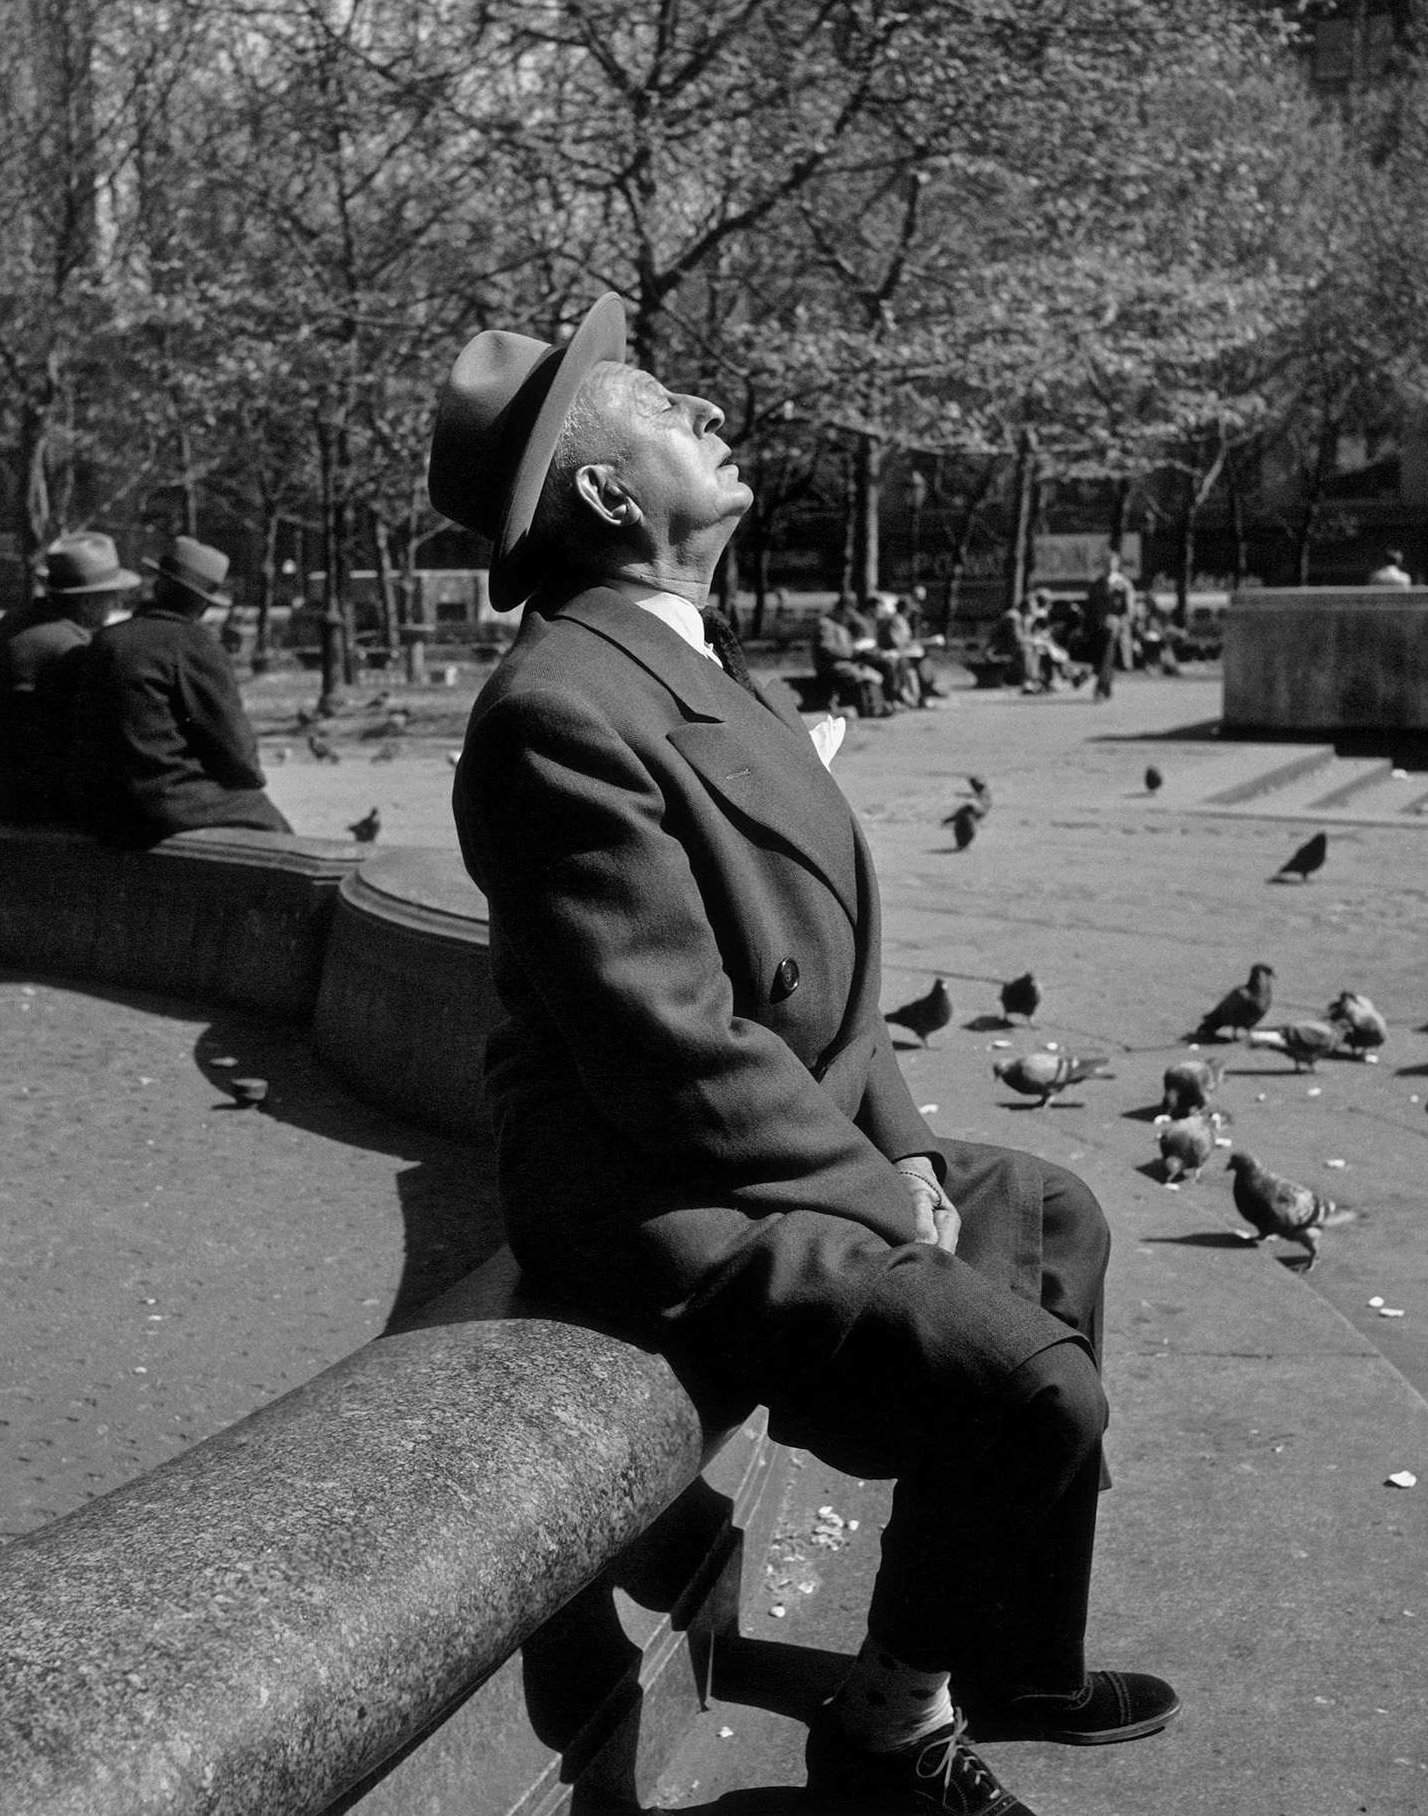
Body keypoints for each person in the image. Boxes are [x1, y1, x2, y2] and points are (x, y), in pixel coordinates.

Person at [433, 293, 1177, 1816]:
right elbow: (674, 1048)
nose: (702, 407)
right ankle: (888, 1732)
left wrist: (900, 1140)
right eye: (657, 399)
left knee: (1051, 1213)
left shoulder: (677, 656)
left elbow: (830, 988)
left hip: (778, 1139)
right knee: (1032, 1391)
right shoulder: (557, 708)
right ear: (602, 491)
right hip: (666, 1195)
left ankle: (1012, 1657)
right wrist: (872, 1190)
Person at [72, 535, 291, 850]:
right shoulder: (195, 645)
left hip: (102, 805)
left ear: (158, 587)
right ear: (203, 603)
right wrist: (247, 779)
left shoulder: (107, 640)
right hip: (162, 803)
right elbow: (236, 751)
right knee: (269, 820)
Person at [0, 531, 138, 827]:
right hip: (56, 809)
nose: (118, 601)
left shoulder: (11, 624)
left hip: (8, 797)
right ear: (87, 602)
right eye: (111, 595)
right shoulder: (74, 646)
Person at [813, 594, 889, 715]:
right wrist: (851, 651)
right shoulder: (826, 624)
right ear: (841, 609)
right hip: (831, 666)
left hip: (845, 663)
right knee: (864, 674)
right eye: (849, 611)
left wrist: (857, 648)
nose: (850, 615)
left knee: (875, 674)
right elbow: (826, 649)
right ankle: (871, 709)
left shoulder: (841, 626)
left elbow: (848, 646)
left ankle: (876, 707)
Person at [1085, 551, 1136, 702]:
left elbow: (1129, 609)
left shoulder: (1123, 584)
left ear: (1117, 564)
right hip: (1098, 627)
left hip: (1115, 628)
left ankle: (1100, 688)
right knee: (1104, 658)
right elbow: (1090, 607)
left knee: (1108, 654)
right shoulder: (1096, 584)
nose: (1108, 565)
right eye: (1105, 561)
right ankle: (1105, 686)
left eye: (1111, 561)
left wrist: (1120, 622)